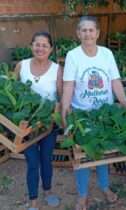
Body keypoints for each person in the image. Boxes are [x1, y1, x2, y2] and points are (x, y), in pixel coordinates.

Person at [61, 16, 126, 210]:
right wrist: (66, 109)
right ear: (78, 33)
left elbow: (115, 81)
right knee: (82, 155)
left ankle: (105, 187)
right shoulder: (73, 55)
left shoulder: (106, 54)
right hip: (83, 114)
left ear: (98, 33)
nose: (88, 34)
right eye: (84, 30)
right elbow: (68, 85)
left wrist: (124, 103)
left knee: (103, 153)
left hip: (104, 114)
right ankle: (82, 195)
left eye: (91, 30)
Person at [15, 31, 63, 210]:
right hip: (26, 126)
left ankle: (48, 191)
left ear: (50, 49)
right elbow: (13, 90)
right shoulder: (22, 66)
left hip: (48, 125)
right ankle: (33, 201)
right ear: (31, 46)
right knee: (32, 163)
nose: (40, 48)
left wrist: (58, 112)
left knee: (46, 160)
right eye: (37, 44)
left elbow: (60, 96)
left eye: (44, 45)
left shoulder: (57, 69)